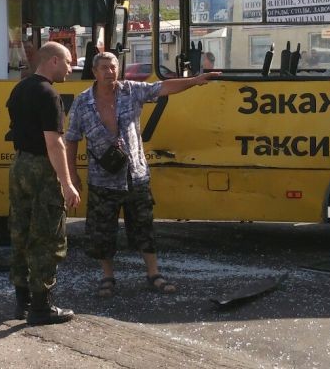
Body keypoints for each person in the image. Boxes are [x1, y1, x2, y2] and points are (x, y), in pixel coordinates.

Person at [65, 52, 220, 298]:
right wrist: (71, 175)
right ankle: (107, 277)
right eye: (104, 68)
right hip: (102, 178)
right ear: (94, 72)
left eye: (113, 67)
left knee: (144, 227)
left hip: (135, 175)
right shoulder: (82, 102)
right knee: (101, 232)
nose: (109, 72)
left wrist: (194, 80)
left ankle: (153, 273)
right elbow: (71, 139)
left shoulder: (131, 90)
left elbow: (163, 87)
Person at [6, 41, 81, 325]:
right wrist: (67, 183)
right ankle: (41, 307)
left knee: (21, 231)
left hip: (20, 165)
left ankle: (22, 303)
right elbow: (54, 143)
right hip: (41, 169)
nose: (71, 68)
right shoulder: (49, 94)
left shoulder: (20, 89)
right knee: (47, 235)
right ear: (53, 61)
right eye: (68, 62)